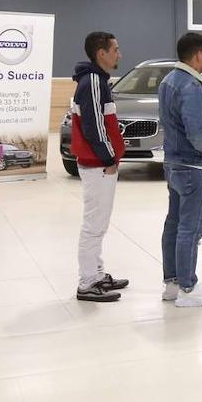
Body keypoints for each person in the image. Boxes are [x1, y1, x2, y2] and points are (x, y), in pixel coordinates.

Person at [159, 32, 202, 308]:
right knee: (192, 228)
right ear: (197, 55)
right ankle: (189, 288)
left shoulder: (168, 81)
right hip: (194, 166)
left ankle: (173, 284)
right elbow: (196, 130)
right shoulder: (191, 86)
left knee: (174, 224)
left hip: (175, 164)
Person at [72, 31, 128, 303]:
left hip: (101, 165)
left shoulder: (97, 80)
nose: (120, 54)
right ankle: (87, 283)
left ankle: (96, 274)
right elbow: (93, 126)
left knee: (99, 224)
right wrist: (108, 159)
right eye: (115, 49)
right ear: (101, 53)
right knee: (94, 225)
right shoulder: (92, 81)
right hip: (98, 165)